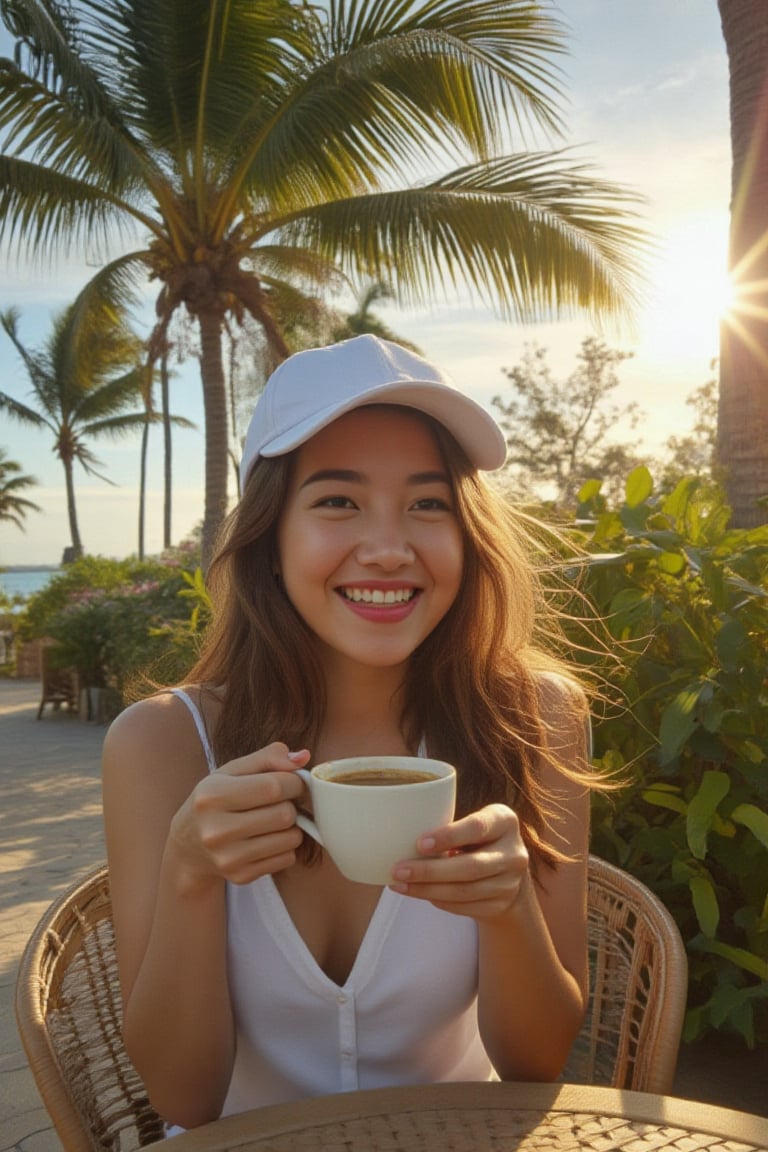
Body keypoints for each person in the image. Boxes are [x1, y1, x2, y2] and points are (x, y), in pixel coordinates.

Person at [102, 334, 597, 1132]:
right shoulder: (161, 745)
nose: (389, 548)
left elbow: (534, 1065)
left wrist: (510, 914)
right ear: (271, 535)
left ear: (467, 535)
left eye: (428, 504)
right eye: (338, 500)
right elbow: (183, 1099)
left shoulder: (535, 720)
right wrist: (191, 872)